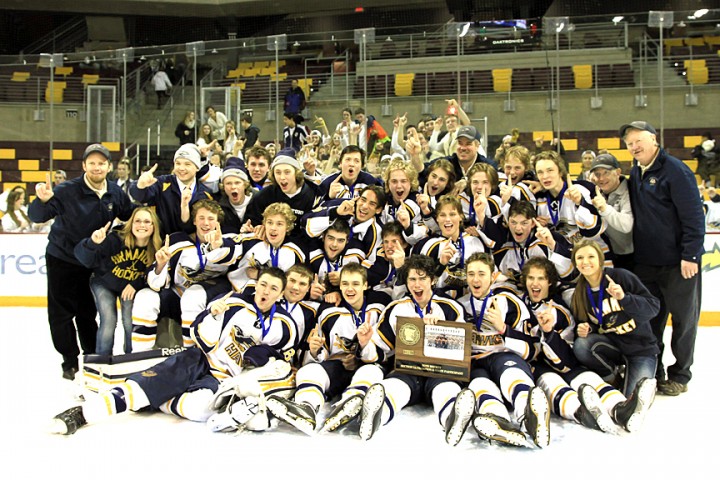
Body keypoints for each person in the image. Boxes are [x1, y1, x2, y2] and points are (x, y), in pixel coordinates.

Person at [51, 267, 297, 435]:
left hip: (222, 379)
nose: (266, 291)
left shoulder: (285, 326)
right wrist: (212, 315)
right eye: (263, 284)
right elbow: (203, 339)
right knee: (138, 389)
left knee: (201, 411)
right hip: (198, 359)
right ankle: (82, 414)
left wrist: (261, 361)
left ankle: (158, 399)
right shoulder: (232, 304)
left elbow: (280, 361)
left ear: (280, 293)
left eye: (273, 288)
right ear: (256, 284)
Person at [28, 143, 135, 380]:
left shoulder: (115, 193)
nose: (97, 167)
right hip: (62, 259)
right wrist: (42, 201)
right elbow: (37, 216)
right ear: (84, 165)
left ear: (109, 167)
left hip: (92, 261)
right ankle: (69, 360)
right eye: (92, 163)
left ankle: (91, 356)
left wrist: (147, 196)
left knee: (87, 312)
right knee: (61, 314)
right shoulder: (67, 190)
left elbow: (130, 215)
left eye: (101, 163)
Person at [521, 257, 657, 434]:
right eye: (531, 278)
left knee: (585, 377)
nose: (535, 283)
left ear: (550, 282)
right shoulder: (518, 303)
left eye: (541, 278)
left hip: (562, 362)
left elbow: (566, 360)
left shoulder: (561, 311)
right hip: (537, 367)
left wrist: (549, 333)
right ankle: (582, 413)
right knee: (551, 382)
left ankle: (620, 409)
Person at [622, 121, 705, 396]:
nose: (634, 147)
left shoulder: (676, 171)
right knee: (650, 320)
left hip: (679, 263)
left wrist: (690, 254)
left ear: (654, 139)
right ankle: (654, 371)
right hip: (646, 263)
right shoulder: (637, 171)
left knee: (683, 321)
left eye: (638, 140)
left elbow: (694, 216)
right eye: (629, 143)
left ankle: (680, 375)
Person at [266, 263, 391, 434]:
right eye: (345, 283)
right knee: (308, 371)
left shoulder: (380, 307)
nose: (350, 288)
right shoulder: (328, 311)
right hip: (338, 367)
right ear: (339, 286)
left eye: (355, 284)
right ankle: (306, 408)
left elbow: (382, 353)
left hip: (368, 364)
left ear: (365, 285)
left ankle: (352, 402)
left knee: (370, 372)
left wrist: (364, 346)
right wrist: (315, 350)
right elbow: (323, 352)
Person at [355, 255, 467, 442]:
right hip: (409, 371)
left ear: (432, 280)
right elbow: (382, 353)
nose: (417, 285)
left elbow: (462, 352)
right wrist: (366, 344)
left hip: (440, 371)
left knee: (445, 388)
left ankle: (452, 419)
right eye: (412, 279)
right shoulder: (395, 309)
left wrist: (439, 331)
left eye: (422, 278)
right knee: (396, 385)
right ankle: (375, 417)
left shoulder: (450, 308)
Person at [131, 199, 232, 349]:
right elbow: (155, 284)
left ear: (218, 223)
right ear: (194, 221)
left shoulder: (230, 243)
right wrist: (160, 265)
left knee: (193, 295)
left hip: (212, 301)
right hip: (179, 297)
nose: (206, 223)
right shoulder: (178, 241)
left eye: (211, 219)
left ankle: (191, 352)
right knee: (145, 296)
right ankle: (140, 353)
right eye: (201, 218)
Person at [570, 239, 660, 397]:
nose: (585, 262)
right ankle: (613, 376)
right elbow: (589, 324)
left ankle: (637, 375)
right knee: (581, 345)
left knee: (633, 400)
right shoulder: (580, 292)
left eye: (591, 256)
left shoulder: (620, 277)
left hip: (641, 348)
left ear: (600, 259)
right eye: (580, 258)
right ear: (575, 264)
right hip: (613, 346)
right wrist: (585, 329)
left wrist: (624, 298)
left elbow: (653, 307)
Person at [74, 207, 162, 355]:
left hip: (129, 286)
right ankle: (102, 359)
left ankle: (130, 357)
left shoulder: (156, 247)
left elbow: (153, 274)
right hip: (104, 282)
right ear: (131, 224)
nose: (142, 225)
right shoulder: (116, 239)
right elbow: (88, 261)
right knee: (108, 319)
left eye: (147, 221)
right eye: (137, 221)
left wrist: (136, 284)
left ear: (154, 226)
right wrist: (93, 243)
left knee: (130, 321)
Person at [130, 143, 213, 236]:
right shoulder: (162, 183)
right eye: (178, 163)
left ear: (197, 167)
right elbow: (141, 197)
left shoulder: (205, 193)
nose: (181, 168)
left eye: (187, 164)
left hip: (191, 246)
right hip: (161, 244)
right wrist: (140, 186)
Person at [589, 153, 634, 270]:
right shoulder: (597, 192)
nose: (601, 178)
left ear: (618, 172)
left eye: (606, 173)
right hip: (609, 255)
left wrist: (604, 208)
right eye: (597, 174)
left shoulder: (630, 191)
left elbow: (626, 225)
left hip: (633, 258)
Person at [216, 157, 253, 233]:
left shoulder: (257, 202)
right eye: (228, 183)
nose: (233, 187)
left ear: (245, 185)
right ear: (223, 187)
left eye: (237, 183)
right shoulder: (218, 206)